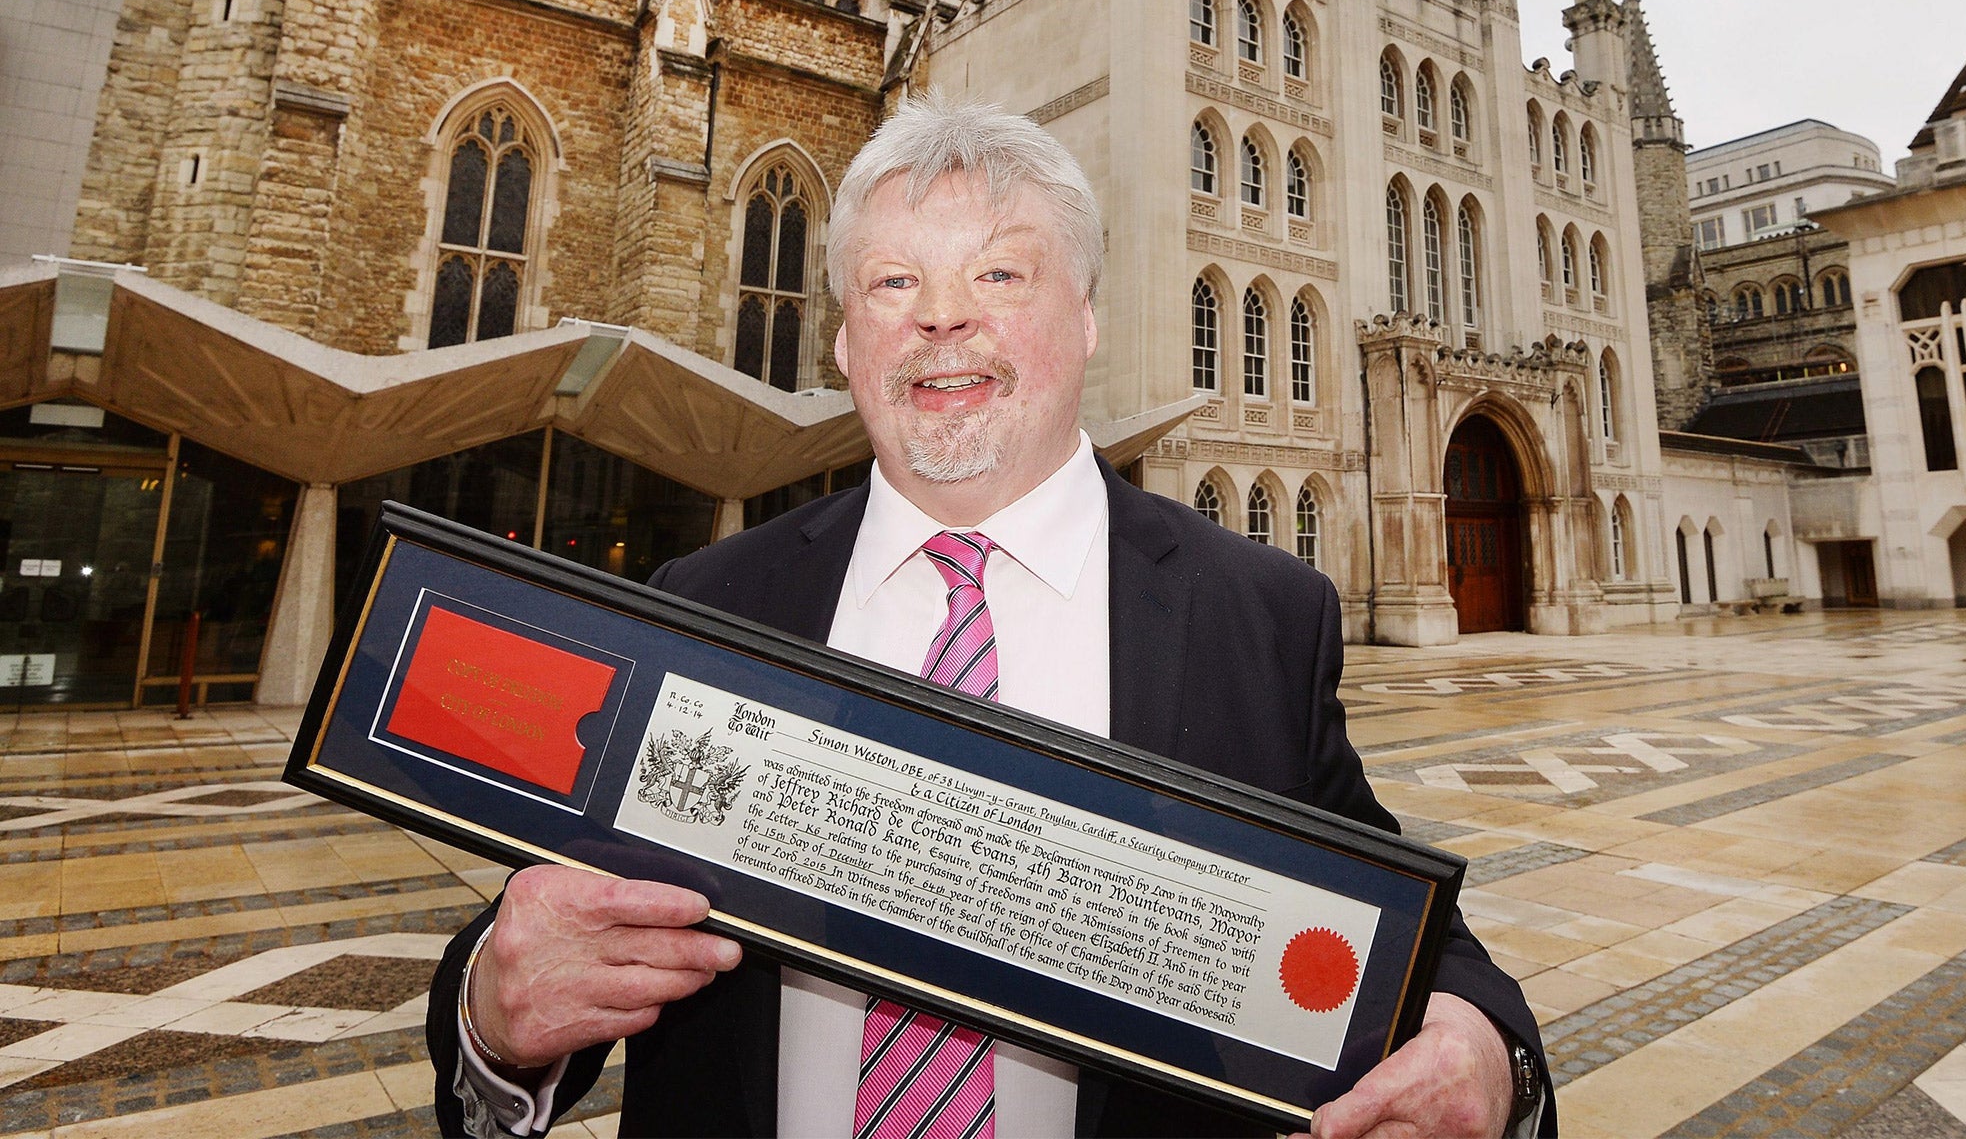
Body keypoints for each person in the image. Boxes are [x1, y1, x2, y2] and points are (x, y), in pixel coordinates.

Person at [426, 99, 1552, 1138]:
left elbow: (1399, 932)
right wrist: (493, 1012)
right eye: (891, 283)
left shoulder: (1259, 612)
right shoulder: (707, 605)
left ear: (1087, 316)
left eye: (1001, 274)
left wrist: (1482, 1053)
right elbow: (562, 918)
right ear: (841, 343)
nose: (943, 318)